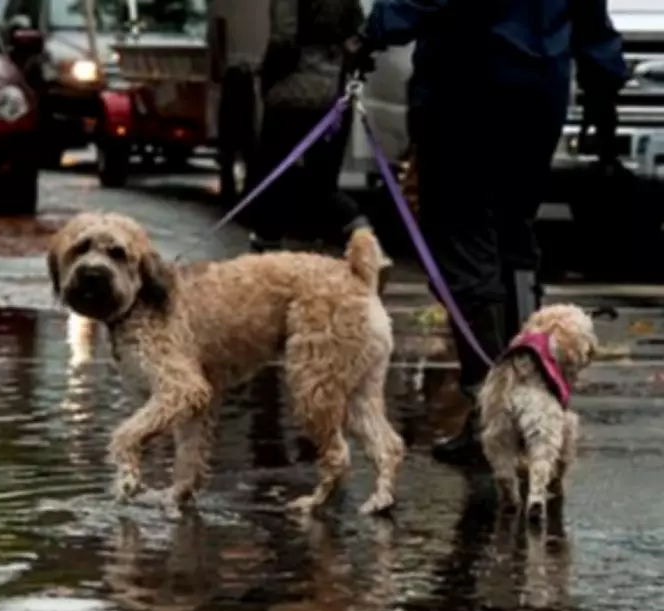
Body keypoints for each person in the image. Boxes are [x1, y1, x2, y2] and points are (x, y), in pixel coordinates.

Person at [351, 0, 627, 465]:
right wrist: (604, 90)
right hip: (540, 91)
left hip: (467, 85)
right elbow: (592, 20)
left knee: (463, 236)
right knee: (514, 236)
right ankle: (528, 400)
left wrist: (371, 33)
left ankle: (492, 414)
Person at [250, 0, 374, 252]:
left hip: (291, 95)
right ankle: (365, 238)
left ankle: (268, 248)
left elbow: (283, 39)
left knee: (272, 175)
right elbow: (360, 33)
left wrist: (268, 77)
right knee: (324, 185)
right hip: (335, 97)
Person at [208, 0, 270, 207]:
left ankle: (232, 189)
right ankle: (246, 190)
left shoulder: (225, 11)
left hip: (234, 78)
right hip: (243, 80)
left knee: (231, 145)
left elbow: (216, 34)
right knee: (246, 145)